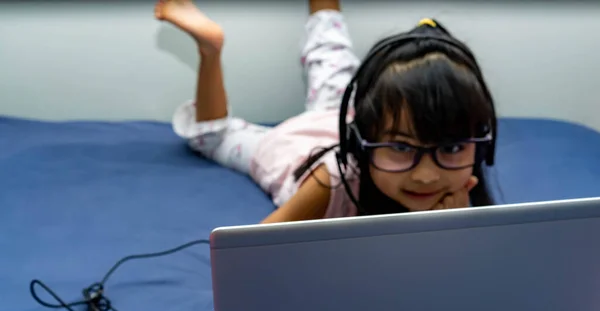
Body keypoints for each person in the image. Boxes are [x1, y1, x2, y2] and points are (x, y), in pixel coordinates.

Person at [155, 0, 497, 224]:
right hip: (296, 147)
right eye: (402, 147)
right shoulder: (329, 182)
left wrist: (453, 231)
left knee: (329, 47)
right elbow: (248, 252)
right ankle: (209, 50)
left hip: (342, 111)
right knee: (211, 136)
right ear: (359, 141)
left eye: (450, 148)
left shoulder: (462, 185)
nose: (426, 176)